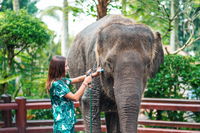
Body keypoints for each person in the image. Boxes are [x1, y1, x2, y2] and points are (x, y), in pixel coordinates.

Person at [46, 55, 101, 133]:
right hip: (62, 125)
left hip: (68, 122)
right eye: (66, 66)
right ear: (59, 68)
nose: (68, 68)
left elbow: (78, 79)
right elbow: (75, 97)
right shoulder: (56, 85)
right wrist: (85, 83)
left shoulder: (61, 81)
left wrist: (93, 75)